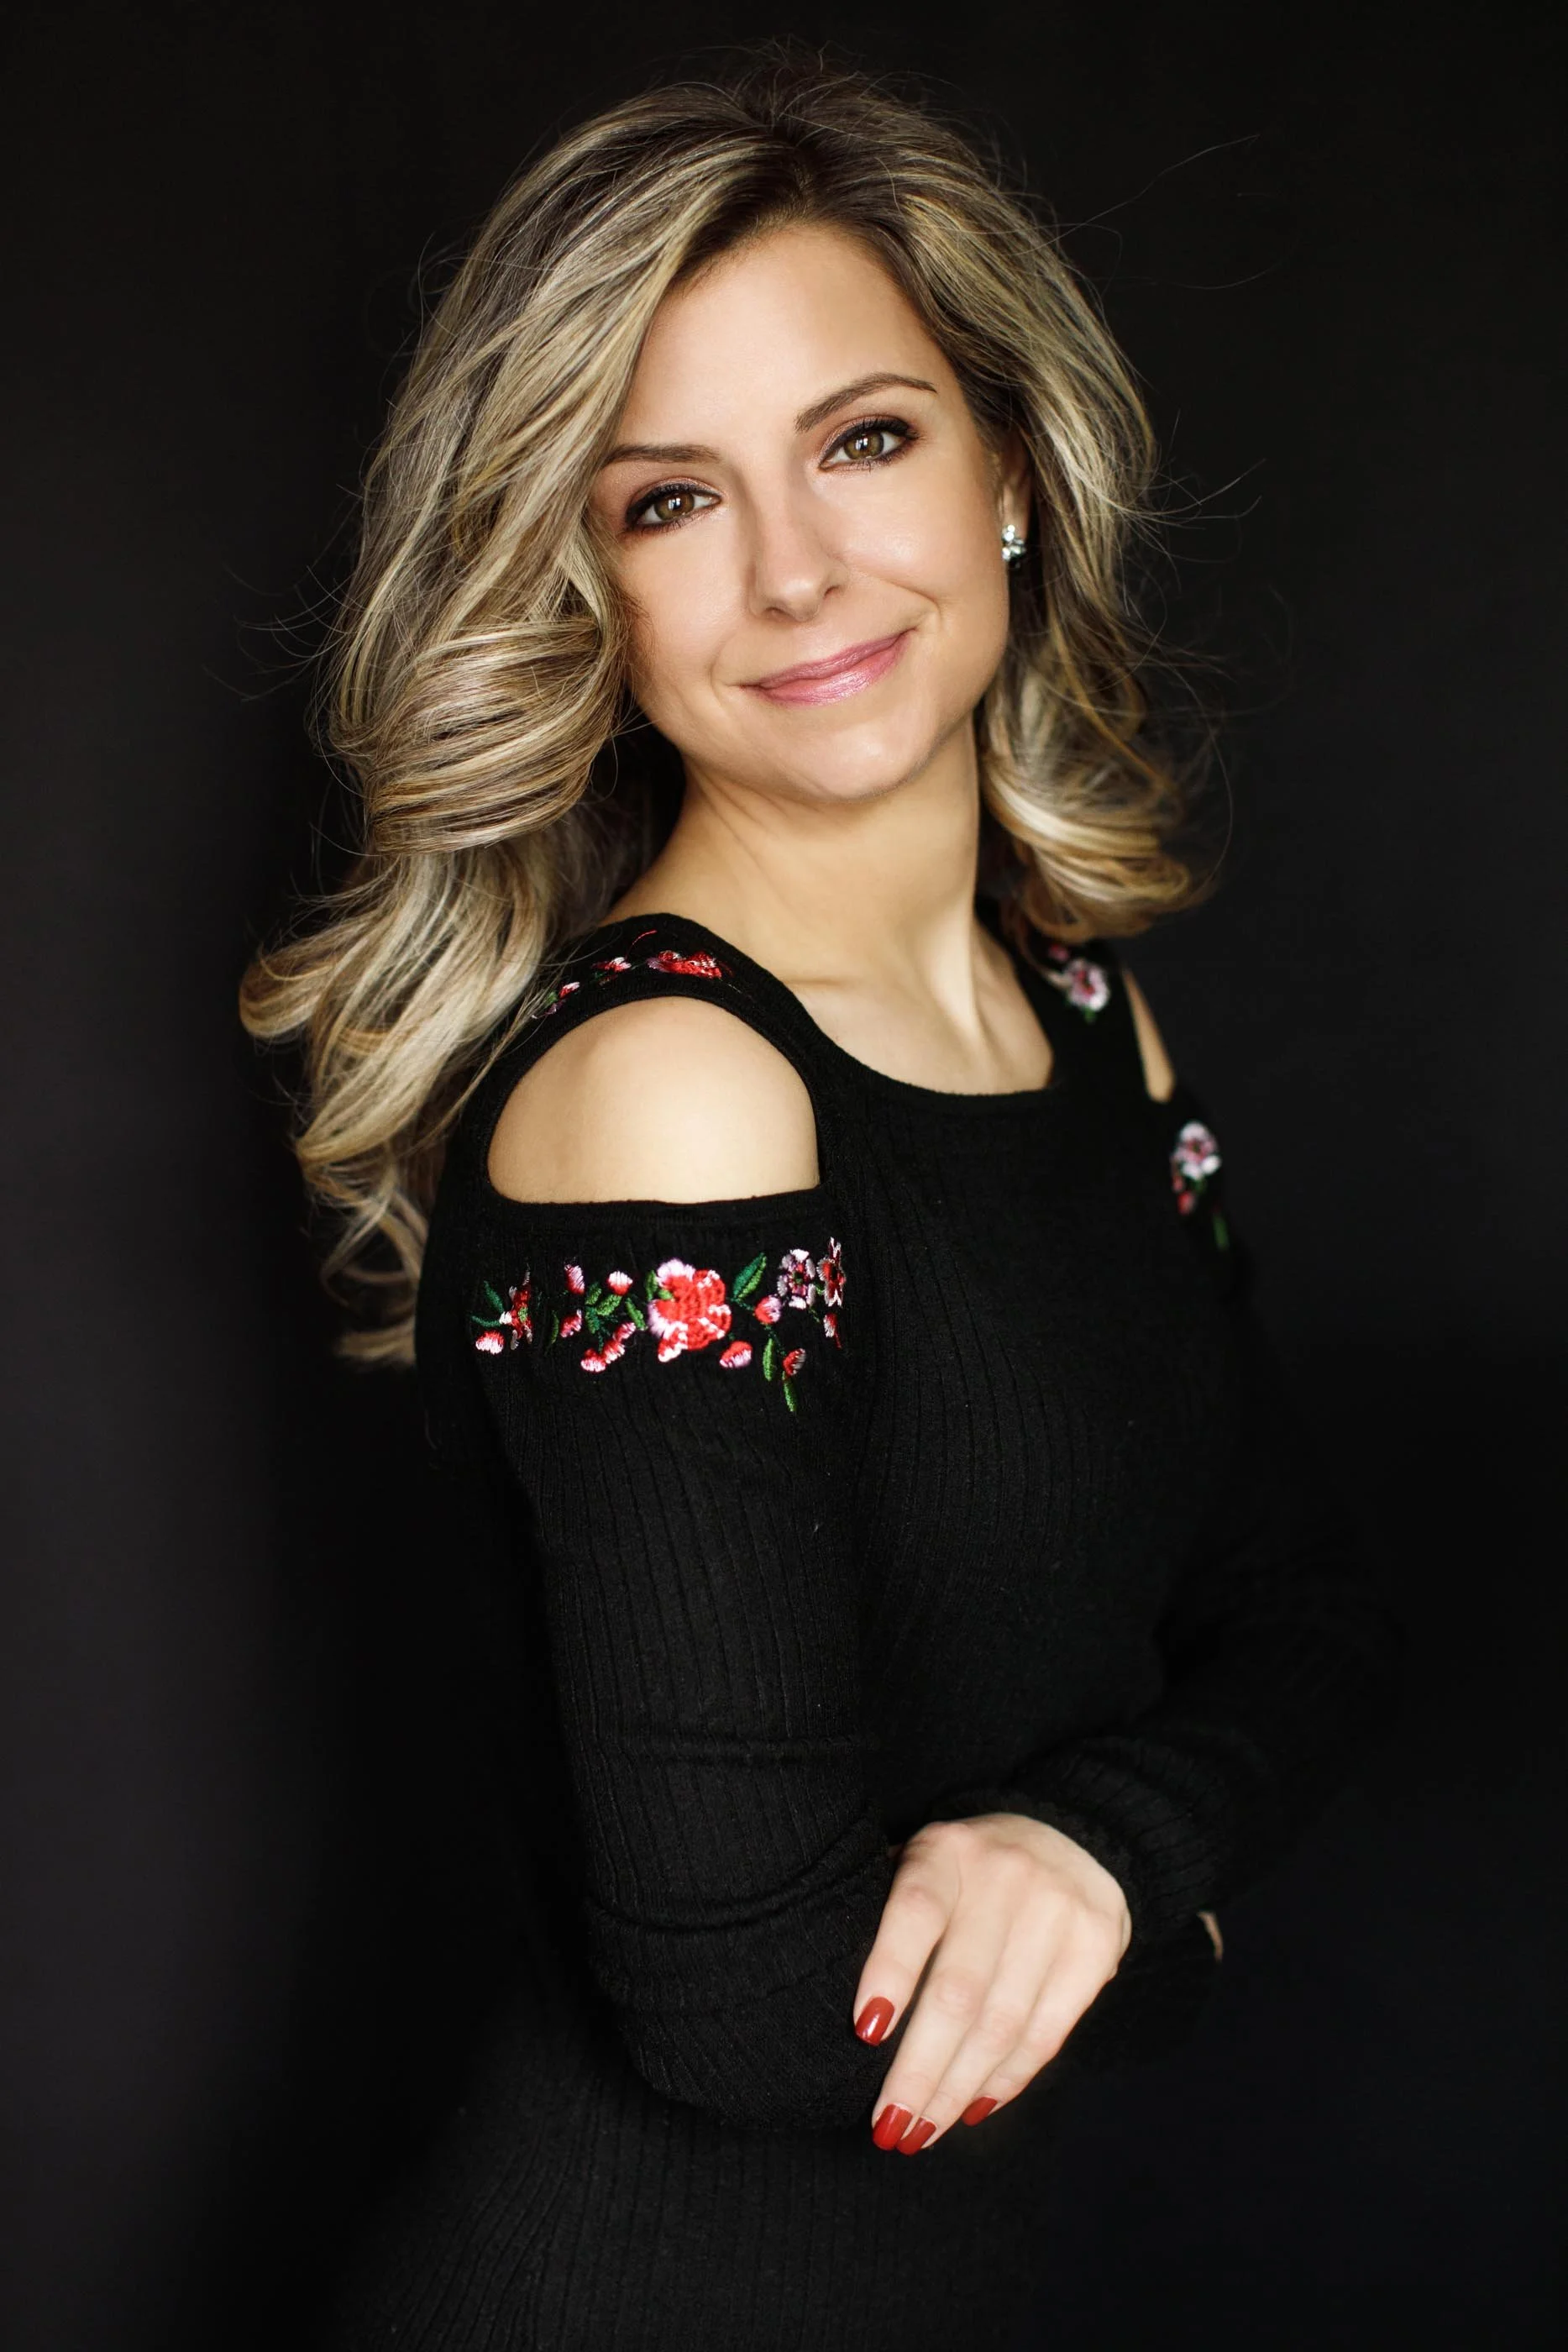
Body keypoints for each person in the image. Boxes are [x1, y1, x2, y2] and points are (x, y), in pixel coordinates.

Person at [241, 50, 1407, 2352]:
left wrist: (1091, 1844)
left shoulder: (1083, 1021)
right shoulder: (669, 1092)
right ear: (586, 588)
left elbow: (1306, 1608)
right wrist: (1180, 1911)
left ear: (1003, 466)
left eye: (863, 438)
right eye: (666, 500)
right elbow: (759, 2021)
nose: (794, 570)